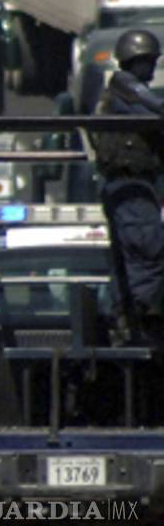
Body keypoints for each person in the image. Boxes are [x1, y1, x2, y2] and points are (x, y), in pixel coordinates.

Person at [89, 29, 164, 329]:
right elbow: (156, 108)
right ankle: (138, 318)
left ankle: (123, 317)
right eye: (150, 61)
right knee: (147, 251)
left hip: (133, 187)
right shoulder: (127, 89)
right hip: (131, 187)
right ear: (136, 60)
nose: (154, 67)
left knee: (130, 259)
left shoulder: (126, 92)